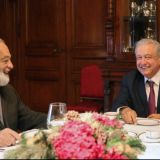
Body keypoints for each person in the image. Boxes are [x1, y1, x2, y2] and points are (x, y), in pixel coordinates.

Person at [0, 39, 47, 147]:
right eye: (5, 60)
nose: (11, 65)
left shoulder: (8, 90)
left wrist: (59, 119)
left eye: (10, 60)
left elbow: (27, 118)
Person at [111, 38, 160, 124]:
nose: (143, 62)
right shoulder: (130, 79)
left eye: (147, 57)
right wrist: (124, 109)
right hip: (139, 130)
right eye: (139, 57)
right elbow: (118, 104)